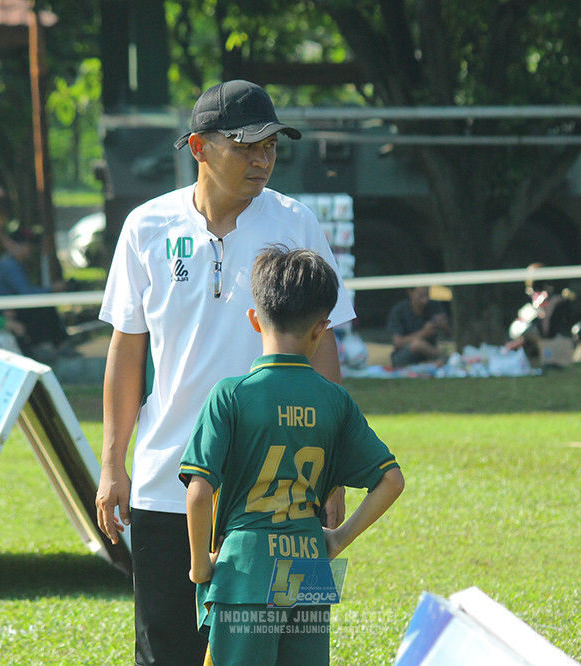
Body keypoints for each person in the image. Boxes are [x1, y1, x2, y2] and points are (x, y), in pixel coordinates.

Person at [94, 79, 356, 666]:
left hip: (275, 493)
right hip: (166, 483)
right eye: (245, 146)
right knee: (167, 651)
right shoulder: (146, 227)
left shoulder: (296, 223)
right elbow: (126, 351)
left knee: (274, 655)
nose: (262, 159)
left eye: (271, 146)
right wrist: (113, 464)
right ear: (199, 147)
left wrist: (332, 467)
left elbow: (322, 345)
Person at [180, 246, 404, 665]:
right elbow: (391, 480)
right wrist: (336, 538)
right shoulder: (335, 400)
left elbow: (198, 493)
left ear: (254, 319)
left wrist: (199, 568)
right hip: (308, 567)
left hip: (246, 568)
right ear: (321, 329)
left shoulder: (231, 395)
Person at [0, 227, 69, 361]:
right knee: (44, 307)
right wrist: (53, 289)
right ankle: (47, 348)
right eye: (27, 245)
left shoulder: (14, 264)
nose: (30, 249)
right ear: (14, 245)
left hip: (5, 311)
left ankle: (52, 348)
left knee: (42, 307)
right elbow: (27, 294)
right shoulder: (9, 265)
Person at [387, 286, 451, 367]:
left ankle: (433, 363)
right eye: (421, 296)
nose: (425, 300)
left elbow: (448, 333)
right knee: (417, 344)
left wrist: (443, 325)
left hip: (428, 354)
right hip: (404, 355)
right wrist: (424, 333)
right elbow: (398, 343)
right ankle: (445, 357)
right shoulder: (399, 311)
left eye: (427, 295)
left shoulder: (434, 306)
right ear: (410, 292)